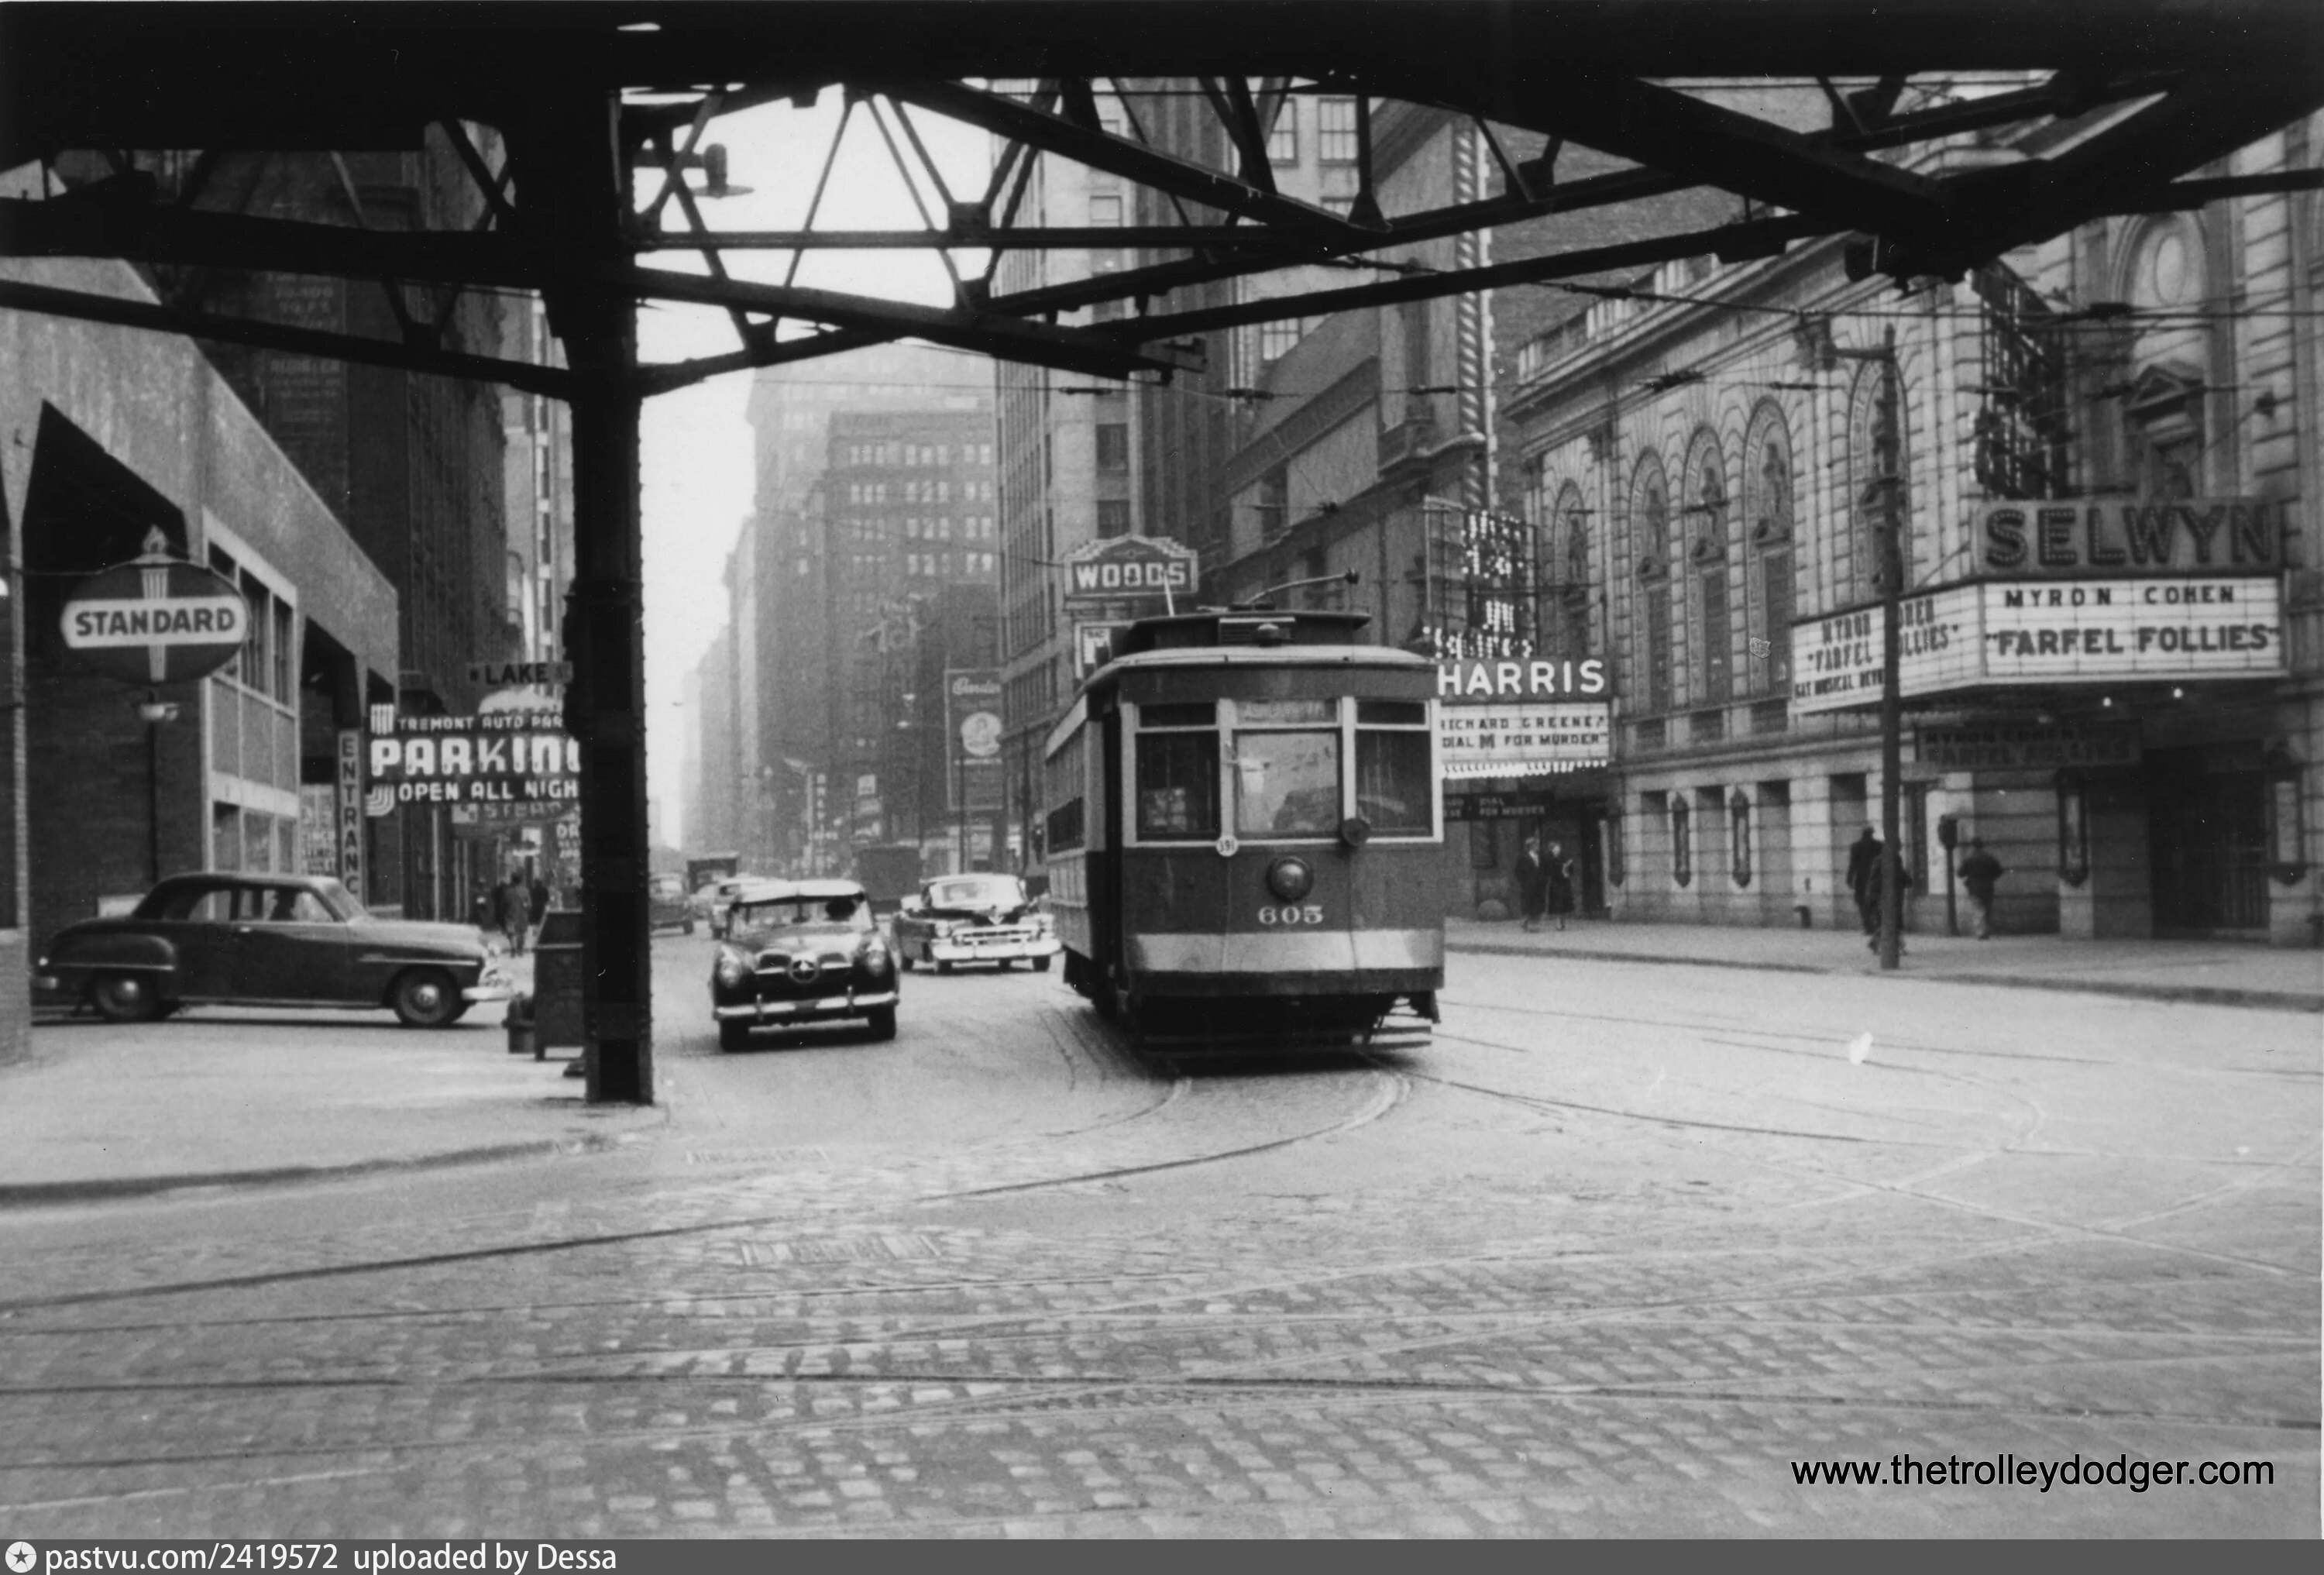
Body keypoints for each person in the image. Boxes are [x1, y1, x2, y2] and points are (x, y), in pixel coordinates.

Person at [1863, 845, 1914, 953]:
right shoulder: (1894, 859)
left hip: (1885, 896)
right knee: (1894, 922)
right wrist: (1908, 880)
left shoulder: (1880, 860)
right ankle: (1898, 946)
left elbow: (1875, 880)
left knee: (1889, 922)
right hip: (1891, 896)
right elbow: (1901, 875)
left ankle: (1878, 943)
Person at [1958, 837, 2006, 940]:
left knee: (1978, 909)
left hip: (1974, 888)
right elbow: (1999, 871)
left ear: (1972, 846)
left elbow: (1960, 873)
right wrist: (1991, 878)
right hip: (1988, 886)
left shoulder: (1969, 859)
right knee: (1987, 909)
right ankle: (1986, 930)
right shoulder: (1989, 858)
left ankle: (1981, 932)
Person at [1845, 827, 1882, 937]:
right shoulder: (1879, 846)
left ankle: (1868, 927)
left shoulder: (1856, 846)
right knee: (1875, 902)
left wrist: (1849, 879)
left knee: (1862, 903)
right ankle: (1877, 925)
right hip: (1876, 878)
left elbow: (1853, 865)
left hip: (1861, 879)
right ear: (1872, 834)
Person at [1513, 834, 1549, 932]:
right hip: (1528, 885)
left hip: (1539, 885)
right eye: (1535, 845)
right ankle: (1529, 924)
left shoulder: (1540, 857)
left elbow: (1544, 869)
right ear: (1530, 846)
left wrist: (1544, 880)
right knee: (1529, 904)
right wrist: (1524, 882)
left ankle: (1535, 923)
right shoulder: (1523, 857)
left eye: (1537, 845)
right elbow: (1518, 871)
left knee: (1538, 904)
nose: (1537, 847)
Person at [1543, 840, 1576, 932]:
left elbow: (1571, 869)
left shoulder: (1564, 857)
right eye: (1555, 848)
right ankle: (1558, 922)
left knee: (1565, 904)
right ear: (1552, 850)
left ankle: (1563, 922)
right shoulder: (1549, 858)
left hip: (1564, 882)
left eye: (1558, 848)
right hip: (1555, 882)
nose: (1557, 850)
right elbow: (1547, 870)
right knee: (1557, 904)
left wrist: (1568, 869)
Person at [501, 873, 533, 956]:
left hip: (510, 915)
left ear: (512, 880)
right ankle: (520, 949)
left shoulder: (507, 892)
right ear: (521, 881)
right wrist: (525, 906)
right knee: (521, 933)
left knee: (511, 933)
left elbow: (503, 905)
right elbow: (529, 905)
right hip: (522, 916)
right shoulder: (525, 891)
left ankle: (513, 947)